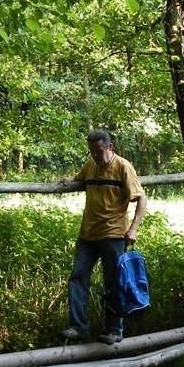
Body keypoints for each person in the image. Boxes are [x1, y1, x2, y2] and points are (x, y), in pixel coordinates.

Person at [60, 129, 147, 345]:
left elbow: (141, 199)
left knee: (113, 282)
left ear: (110, 148)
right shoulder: (90, 165)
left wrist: (133, 228)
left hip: (113, 234)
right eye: (91, 152)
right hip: (87, 234)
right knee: (78, 278)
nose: (95, 156)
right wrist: (65, 182)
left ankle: (114, 329)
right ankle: (78, 327)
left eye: (98, 151)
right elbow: (78, 179)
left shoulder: (123, 167)